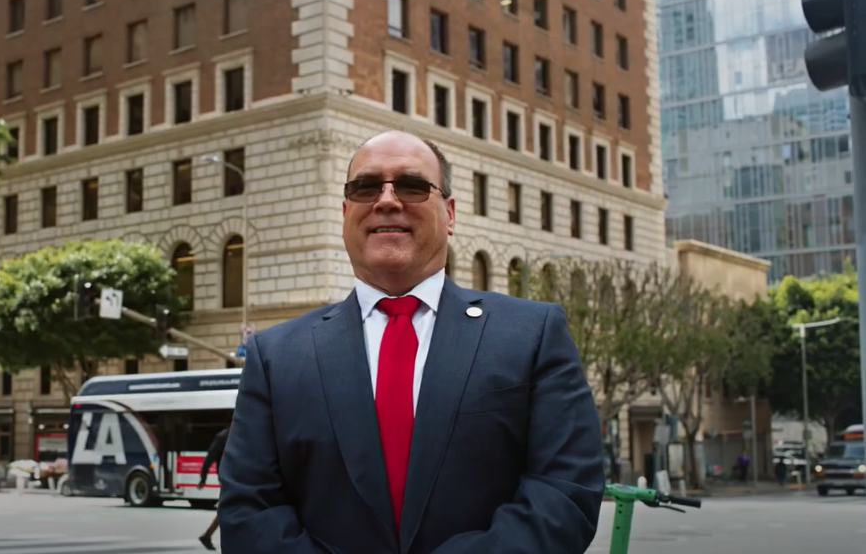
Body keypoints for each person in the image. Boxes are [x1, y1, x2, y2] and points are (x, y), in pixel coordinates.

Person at [218, 130, 605, 554]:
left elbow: (565, 492)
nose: (387, 200)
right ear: (346, 212)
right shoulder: (274, 355)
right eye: (366, 187)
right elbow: (248, 509)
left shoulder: (534, 334)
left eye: (412, 185)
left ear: (450, 213)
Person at [196, 426, 231, 550]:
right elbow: (209, 457)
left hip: (234, 477)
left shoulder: (238, 436)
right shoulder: (223, 437)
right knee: (229, 507)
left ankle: (207, 535)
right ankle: (207, 535)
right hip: (227, 478)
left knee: (227, 507)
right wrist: (203, 478)